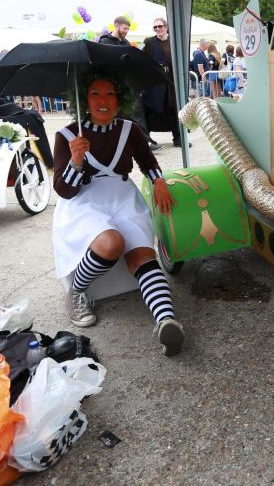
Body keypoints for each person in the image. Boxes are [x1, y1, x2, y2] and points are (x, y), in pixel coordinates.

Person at [52, 71, 184, 356]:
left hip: (123, 196)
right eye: (95, 94)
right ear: (84, 99)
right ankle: (76, 291)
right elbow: (64, 191)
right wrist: (75, 160)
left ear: (119, 98)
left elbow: (147, 162)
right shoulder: (66, 136)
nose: (103, 101)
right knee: (112, 243)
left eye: (110, 94)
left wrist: (158, 181)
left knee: (143, 255)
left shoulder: (129, 129)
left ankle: (166, 321)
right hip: (83, 202)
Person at [99, 15, 161, 151]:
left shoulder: (125, 42)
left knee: (137, 113)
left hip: (128, 85)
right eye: (125, 28)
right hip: (114, 85)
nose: (126, 31)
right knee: (120, 116)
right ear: (116, 26)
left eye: (128, 29)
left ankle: (144, 140)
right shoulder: (105, 42)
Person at [141, 18, 186, 148]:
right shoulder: (149, 42)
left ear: (166, 27)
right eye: (155, 27)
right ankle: (146, 139)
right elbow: (143, 59)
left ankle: (178, 138)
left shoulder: (174, 41)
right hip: (156, 83)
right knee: (151, 110)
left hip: (172, 82)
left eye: (160, 26)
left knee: (174, 110)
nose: (157, 29)